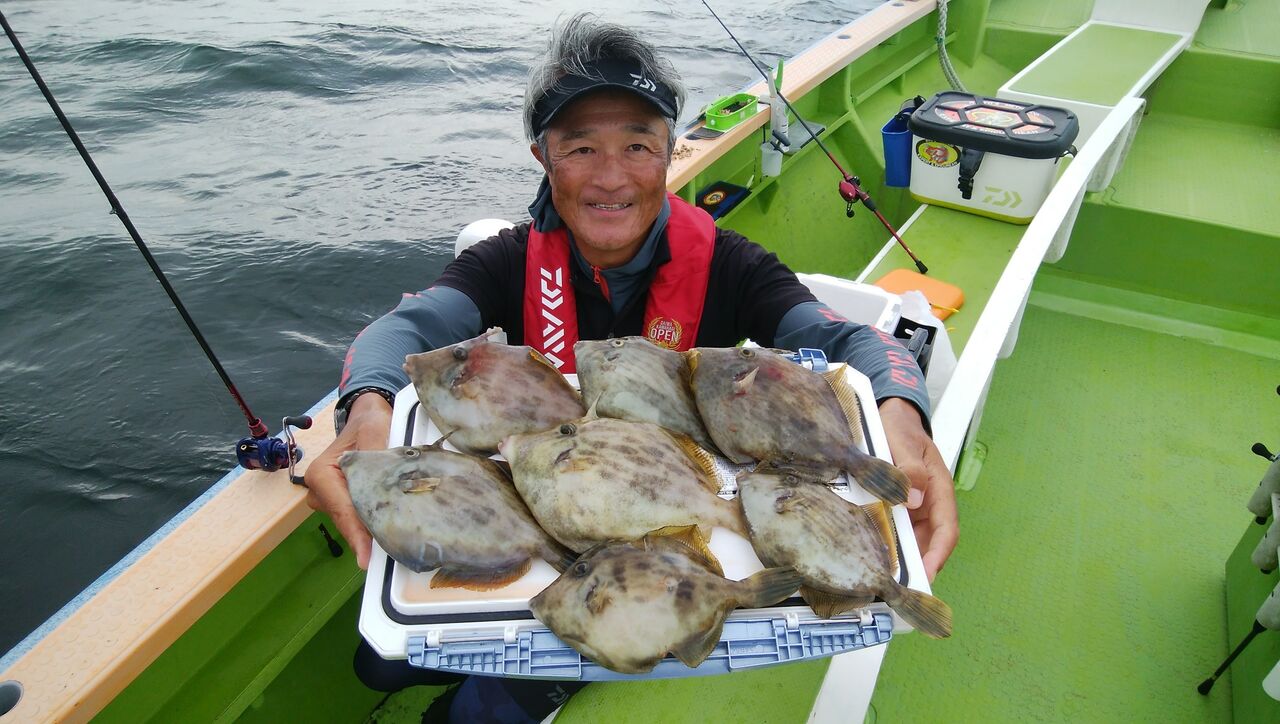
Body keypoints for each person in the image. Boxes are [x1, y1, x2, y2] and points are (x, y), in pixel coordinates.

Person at [307, 13, 958, 723]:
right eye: (581, 147)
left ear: (670, 152)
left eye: (638, 145)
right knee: (377, 663)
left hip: (655, 568)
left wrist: (902, 413)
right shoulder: (504, 263)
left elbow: (854, 343)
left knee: (474, 714)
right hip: (550, 511)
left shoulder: (734, 266)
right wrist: (365, 403)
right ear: (543, 157)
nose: (611, 177)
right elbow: (401, 332)